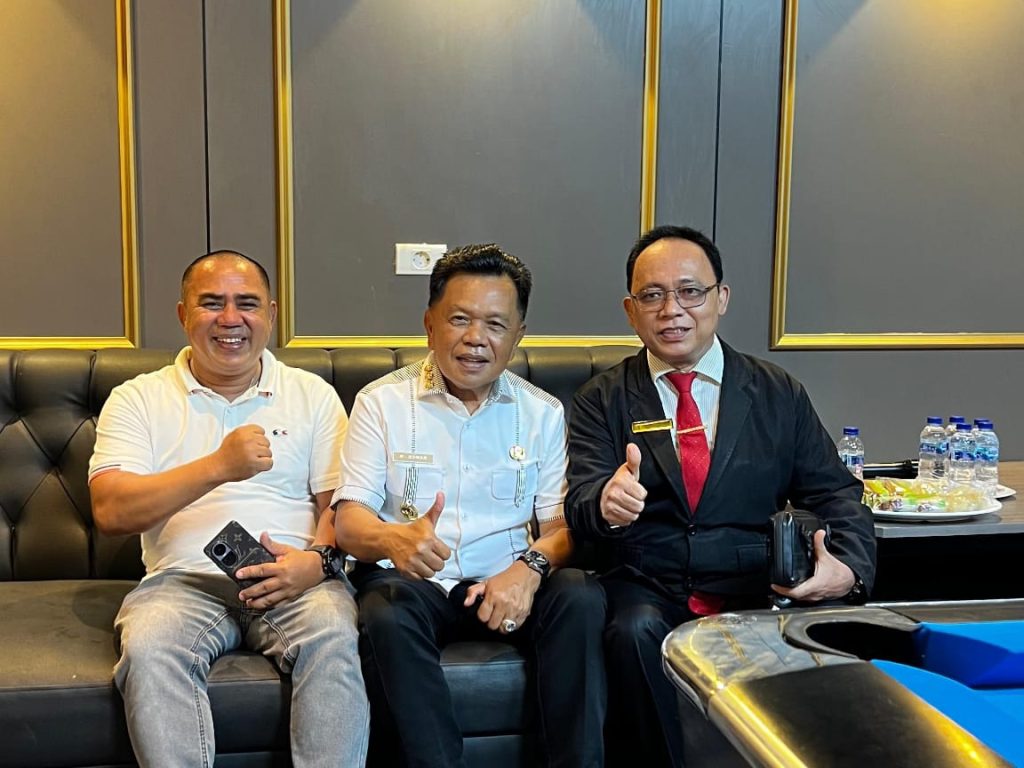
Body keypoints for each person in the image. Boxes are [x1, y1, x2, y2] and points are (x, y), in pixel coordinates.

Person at [565, 225, 876, 767]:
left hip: (756, 585)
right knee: (632, 631)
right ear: (630, 311)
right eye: (652, 295)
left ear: (721, 298)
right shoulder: (602, 398)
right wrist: (605, 505)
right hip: (648, 586)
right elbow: (582, 498)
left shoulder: (777, 391)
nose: (672, 310)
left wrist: (847, 567)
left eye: (690, 291)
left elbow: (836, 492)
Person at [89, 250, 369, 767]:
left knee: (334, 634)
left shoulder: (313, 395)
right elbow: (111, 511)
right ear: (183, 315)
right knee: (150, 646)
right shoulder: (138, 398)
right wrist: (218, 466)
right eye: (212, 303)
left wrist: (317, 562)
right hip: (183, 583)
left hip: (295, 580)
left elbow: (342, 506)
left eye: (248, 304)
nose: (231, 319)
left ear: (272, 314)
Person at [334, 244, 606, 768]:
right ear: (429, 324)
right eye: (459, 319)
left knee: (580, 595)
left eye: (495, 324)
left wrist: (529, 569)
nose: (476, 338)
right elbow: (349, 521)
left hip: (508, 582)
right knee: (385, 607)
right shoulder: (380, 402)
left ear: (518, 335)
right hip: (416, 584)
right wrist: (392, 538)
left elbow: (560, 526)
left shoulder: (543, 413)